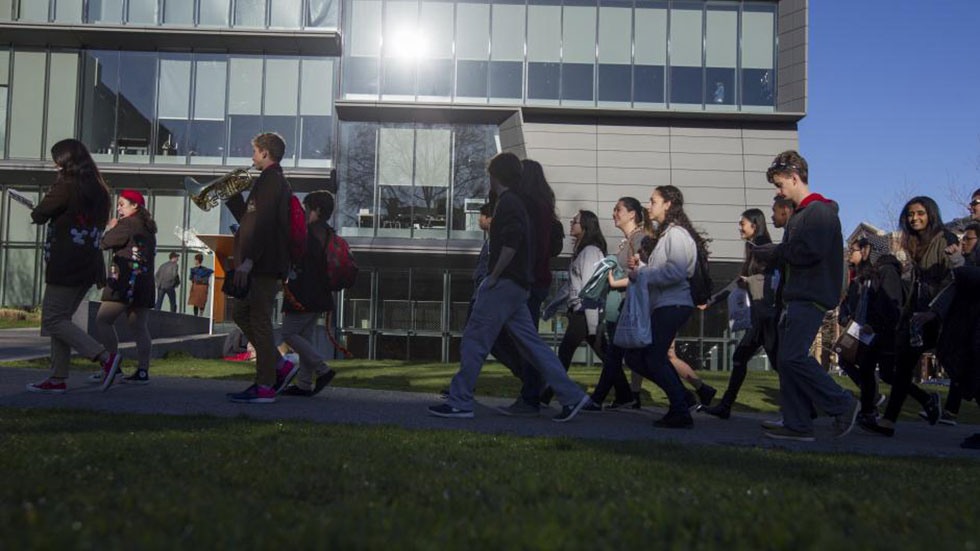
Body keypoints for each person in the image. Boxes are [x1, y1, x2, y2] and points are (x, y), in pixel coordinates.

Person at [428, 152, 592, 421]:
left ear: (495, 175)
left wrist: (493, 276)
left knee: (474, 339)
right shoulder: (521, 202)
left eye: (489, 174)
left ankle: (460, 401)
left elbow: (512, 241)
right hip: (518, 285)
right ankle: (571, 396)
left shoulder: (510, 202)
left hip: (504, 283)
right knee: (532, 345)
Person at [762, 150, 859, 441]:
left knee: (791, 358)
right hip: (798, 297)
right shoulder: (805, 214)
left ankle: (842, 403)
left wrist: (776, 252)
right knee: (787, 359)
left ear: (795, 178)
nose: (779, 192)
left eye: (780, 185)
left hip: (809, 297)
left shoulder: (818, 213)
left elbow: (809, 253)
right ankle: (797, 422)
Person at [26, 139, 116, 394]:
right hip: (88, 263)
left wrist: (54, 187)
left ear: (65, 162)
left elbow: (40, 213)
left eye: (57, 161)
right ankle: (57, 378)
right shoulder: (99, 188)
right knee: (61, 320)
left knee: (53, 319)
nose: (55, 165)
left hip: (66, 262)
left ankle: (104, 358)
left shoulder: (67, 185)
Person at [860, 196, 952, 437]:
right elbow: (916, 286)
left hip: (943, 316)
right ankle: (888, 421)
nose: (914, 218)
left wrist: (934, 311)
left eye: (920, 213)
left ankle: (926, 402)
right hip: (918, 316)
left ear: (931, 214)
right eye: (911, 214)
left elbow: (952, 282)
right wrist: (908, 316)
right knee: (902, 368)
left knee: (961, 370)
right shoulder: (915, 245)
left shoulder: (945, 240)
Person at [629, 185, 707, 428]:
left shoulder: (677, 235)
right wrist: (641, 270)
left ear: (668, 204)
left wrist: (643, 274)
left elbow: (675, 271)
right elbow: (662, 271)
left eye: (653, 201)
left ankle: (680, 408)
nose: (649, 205)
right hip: (665, 304)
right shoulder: (667, 236)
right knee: (637, 357)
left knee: (652, 357)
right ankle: (681, 397)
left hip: (673, 304)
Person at [493, 160, 566, 417]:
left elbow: (525, 245)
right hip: (537, 280)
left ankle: (535, 391)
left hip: (526, 280)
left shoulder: (528, 207)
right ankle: (534, 388)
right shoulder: (543, 207)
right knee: (523, 339)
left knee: (521, 340)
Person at [224, 132, 293, 404]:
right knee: (242, 313)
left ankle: (265, 385)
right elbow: (251, 219)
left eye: (254, 151)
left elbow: (263, 224)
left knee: (259, 320)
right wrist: (232, 198)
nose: (251, 156)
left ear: (265, 153)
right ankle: (279, 365)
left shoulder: (272, 180)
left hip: (262, 264)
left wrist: (250, 260)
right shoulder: (267, 181)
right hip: (259, 262)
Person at [701, 209, 779, 419]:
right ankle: (725, 406)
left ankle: (811, 406)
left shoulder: (764, 249)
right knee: (744, 358)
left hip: (765, 317)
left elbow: (770, 280)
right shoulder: (753, 248)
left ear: (754, 225)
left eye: (742, 223)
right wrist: (712, 300)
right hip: (759, 317)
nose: (739, 227)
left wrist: (750, 282)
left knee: (777, 364)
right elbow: (739, 281)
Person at [536, 210, 606, 405]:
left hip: (584, 312)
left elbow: (591, 289)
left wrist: (592, 323)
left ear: (585, 226)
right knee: (606, 355)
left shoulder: (591, 252)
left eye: (574, 221)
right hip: (580, 312)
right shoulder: (582, 252)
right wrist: (551, 307)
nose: (571, 223)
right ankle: (624, 393)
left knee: (565, 353)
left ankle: (547, 394)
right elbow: (570, 286)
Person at [588, 197, 648, 409]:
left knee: (618, 355)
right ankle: (621, 396)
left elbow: (643, 273)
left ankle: (599, 398)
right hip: (619, 307)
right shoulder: (629, 240)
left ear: (632, 214)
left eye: (618, 210)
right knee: (622, 356)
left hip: (627, 306)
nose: (614, 213)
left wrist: (614, 281)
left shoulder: (640, 239)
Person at [835, 238, 903, 426]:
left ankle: (925, 399)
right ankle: (868, 411)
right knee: (865, 369)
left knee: (888, 374)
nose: (861, 251)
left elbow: (891, 303)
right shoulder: (872, 273)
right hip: (867, 330)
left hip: (879, 332)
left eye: (864, 248)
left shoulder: (887, 271)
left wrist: (876, 324)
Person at [94, 189, 158, 387]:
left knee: (103, 320)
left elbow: (104, 243)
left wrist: (111, 228)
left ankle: (112, 367)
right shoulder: (147, 227)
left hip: (125, 282)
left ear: (135, 206)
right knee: (139, 326)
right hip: (143, 282)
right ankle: (142, 371)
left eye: (122, 204)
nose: (119, 208)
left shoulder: (127, 224)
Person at [279, 191, 339, 397]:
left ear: (317, 210)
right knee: (305, 337)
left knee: (288, 333)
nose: (304, 212)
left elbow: (299, 261)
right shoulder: (329, 233)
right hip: (321, 295)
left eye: (307, 209)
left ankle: (323, 369)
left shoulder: (309, 233)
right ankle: (304, 383)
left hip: (304, 294)